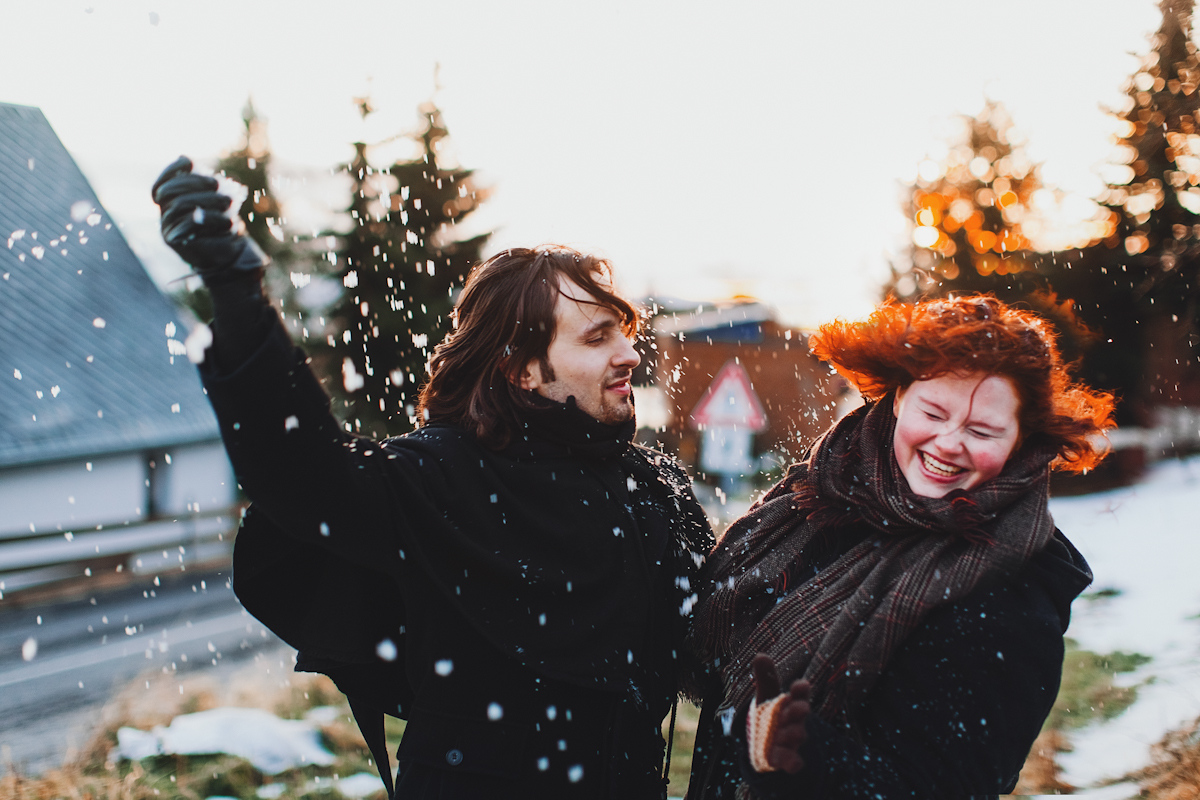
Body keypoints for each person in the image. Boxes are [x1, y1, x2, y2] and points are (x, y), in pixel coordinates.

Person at [151, 157, 714, 800]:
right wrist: (235, 289)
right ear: (523, 371)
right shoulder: (442, 476)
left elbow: (720, 644)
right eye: (596, 338)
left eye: (626, 332)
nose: (630, 354)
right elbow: (306, 475)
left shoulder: (657, 491)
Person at [686, 295, 1115, 799]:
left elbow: (950, 788)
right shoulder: (816, 500)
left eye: (982, 431)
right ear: (897, 399)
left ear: (1020, 441)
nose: (949, 442)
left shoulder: (1012, 599)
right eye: (933, 412)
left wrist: (806, 758)